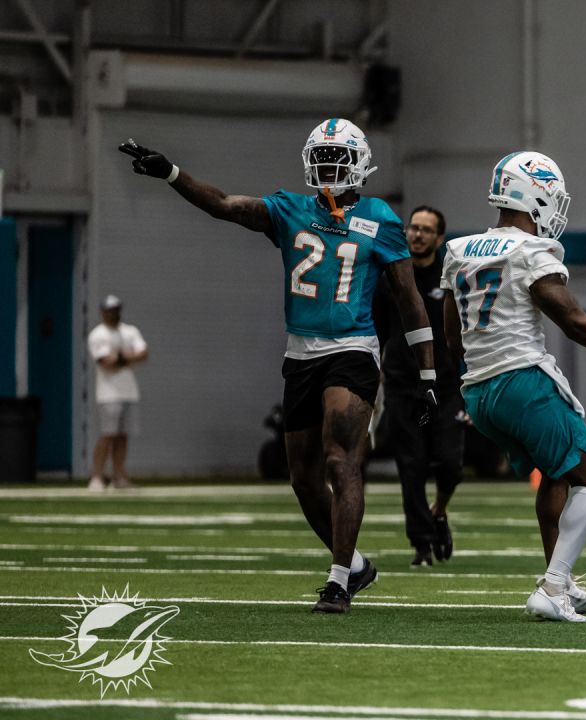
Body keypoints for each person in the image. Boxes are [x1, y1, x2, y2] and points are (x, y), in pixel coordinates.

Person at [118, 119, 439, 614]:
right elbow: (226, 205)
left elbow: (409, 301)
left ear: (360, 164)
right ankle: (355, 567)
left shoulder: (381, 218)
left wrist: (427, 371)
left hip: (352, 347)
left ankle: (336, 582)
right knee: (304, 479)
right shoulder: (290, 208)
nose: (330, 168)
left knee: (341, 459)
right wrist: (172, 173)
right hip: (300, 352)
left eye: (339, 159)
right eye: (323, 158)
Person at [440, 151, 586, 622]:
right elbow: (574, 322)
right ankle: (551, 587)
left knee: (555, 472)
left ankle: (559, 578)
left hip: (479, 391)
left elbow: (452, 337)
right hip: (521, 380)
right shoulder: (531, 252)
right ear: (536, 194)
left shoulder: (458, 249)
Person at [372, 205, 464, 567]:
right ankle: (422, 544)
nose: (417, 234)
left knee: (451, 464)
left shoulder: (451, 276)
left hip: (444, 385)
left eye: (426, 229)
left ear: (439, 237)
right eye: (413, 228)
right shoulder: (392, 276)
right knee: (411, 467)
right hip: (402, 384)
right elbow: (379, 328)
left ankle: (439, 510)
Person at [87, 294, 148, 491]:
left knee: (123, 435)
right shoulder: (98, 334)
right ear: (103, 312)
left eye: (116, 310)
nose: (114, 314)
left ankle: (119, 476)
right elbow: (106, 362)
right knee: (108, 434)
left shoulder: (129, 331)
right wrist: (128, 357)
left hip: (128, 391)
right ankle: (96, 476)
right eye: (110, 310)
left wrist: (120, 357)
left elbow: (143, 354)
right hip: (108, 393)